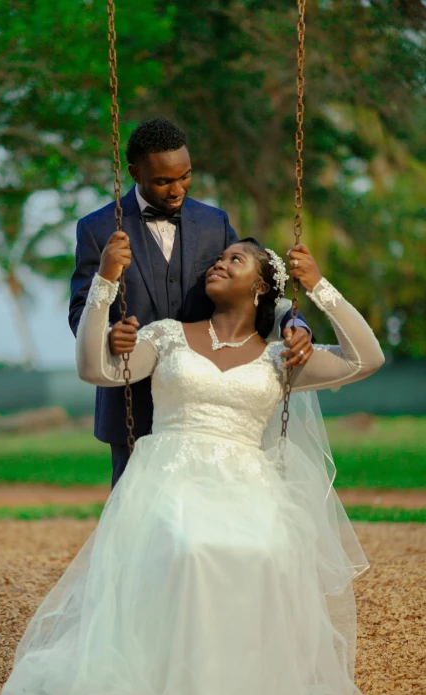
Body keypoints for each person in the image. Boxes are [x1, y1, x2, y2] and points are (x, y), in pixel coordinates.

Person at [1, 235, 384, 695]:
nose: (219, 264)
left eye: (235, 259)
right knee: (191, 547)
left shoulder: (284, 357)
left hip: (248, 485)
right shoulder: (167, 336)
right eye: (218, 258)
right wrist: (106, 281)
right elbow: (93, 368)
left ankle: (238, 684)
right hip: (169, 479)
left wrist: (317, 286)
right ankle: (168, 680)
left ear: (263, 286)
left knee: (267, 551)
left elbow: (368, 359)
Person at [69, 117, 313, 486]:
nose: (176, 189)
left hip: (201, 396)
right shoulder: (97, 228)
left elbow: (256, 286)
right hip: (131, 400)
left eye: (185, 176)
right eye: (163, 181)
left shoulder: (214, 222)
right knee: (134, 514)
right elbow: (81, 308)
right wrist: (106, 336)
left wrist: (294, 322)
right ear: (134, 172)